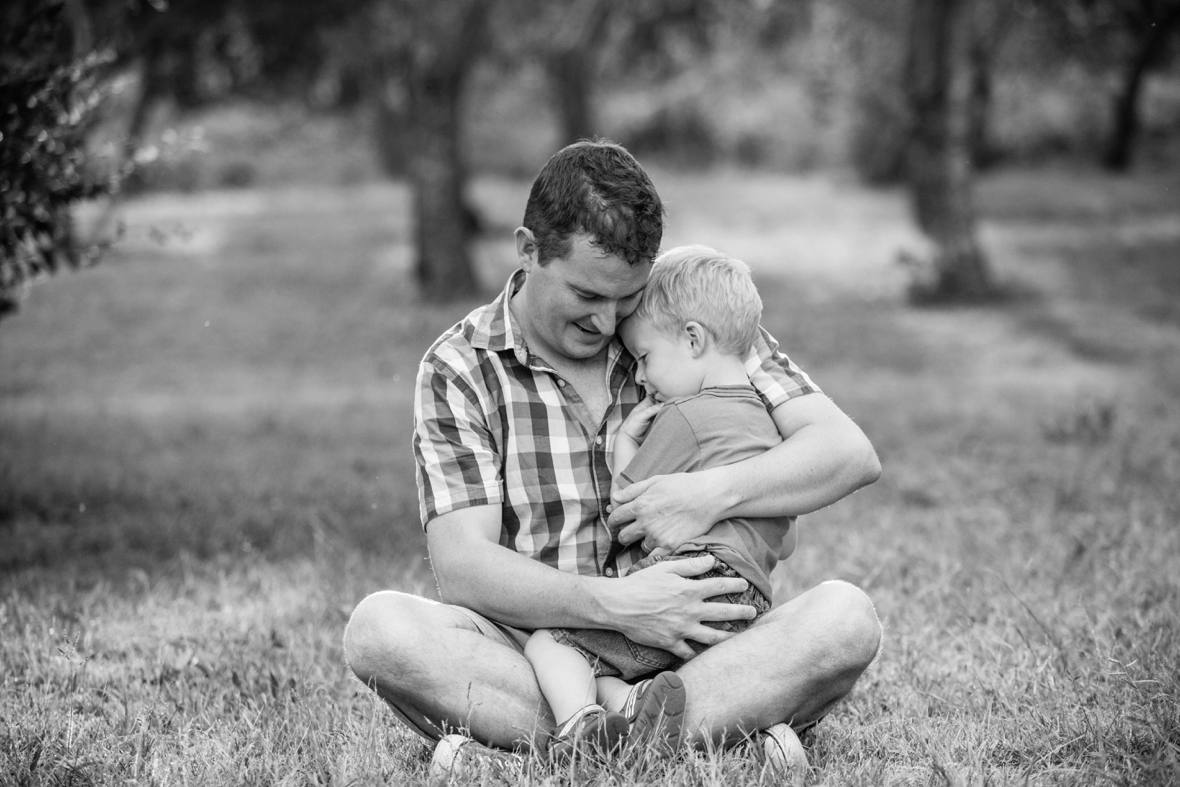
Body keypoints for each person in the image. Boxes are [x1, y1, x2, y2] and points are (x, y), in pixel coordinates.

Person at [342, 139, 883, 770]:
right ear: (528, 250)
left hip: (702, 645)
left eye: (624, 297)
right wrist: (618, 605)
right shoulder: (459, 368)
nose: (607, 323)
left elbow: (847, 452)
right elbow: (463, 567)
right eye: (586, 295)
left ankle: (570, 748)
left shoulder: (680, 322)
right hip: (541, 653)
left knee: (846, 618)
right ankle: (689, 735)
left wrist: (708, 494)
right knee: (381, 632)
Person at [523, 246, 799, 759]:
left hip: (688, 582)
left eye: (645, 359)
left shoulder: (685, 417)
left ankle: (578, 728)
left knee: (553, 643)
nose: (643, 378)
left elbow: (627, 510)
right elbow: (787, 540)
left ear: (693, 340)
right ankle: (670, 722)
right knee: (671, 675)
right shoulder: (771, 426)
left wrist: (628, 439)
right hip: (747, 601)